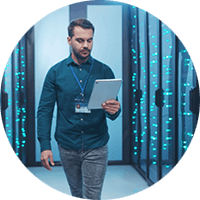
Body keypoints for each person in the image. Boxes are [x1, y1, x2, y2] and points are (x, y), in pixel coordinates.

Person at [37, 18, 121, 199]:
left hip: (96, 144)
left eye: (90, 40)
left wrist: (115, 110)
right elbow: (45, 110)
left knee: (91, 195)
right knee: (76, 193)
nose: (86, 45)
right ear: (69, 40)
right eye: (80, 40)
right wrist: (45, 145)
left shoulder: (104, 70)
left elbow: (113, 111)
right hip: (67, 144)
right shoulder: (55, 72)